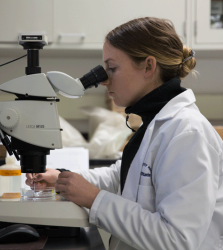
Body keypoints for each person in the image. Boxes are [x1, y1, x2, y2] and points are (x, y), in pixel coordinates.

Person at [26, 17, 223, 250]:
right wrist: (63, 178)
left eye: (112, 68)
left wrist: (95, 199)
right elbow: (124, 177)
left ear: (149, 66)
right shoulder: (156, 122)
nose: (103, 80)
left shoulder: (188, 134)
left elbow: (176, 240)